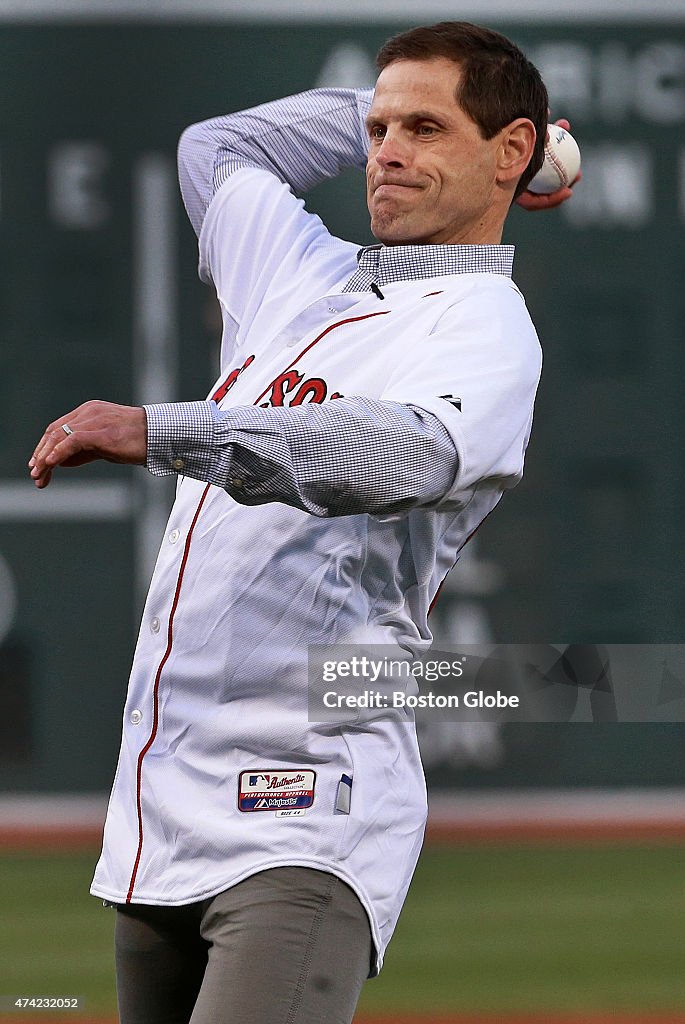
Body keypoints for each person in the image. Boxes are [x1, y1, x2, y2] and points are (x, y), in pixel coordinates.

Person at [29, 22, 575, 1024]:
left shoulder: (486, 329)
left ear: (508, 153)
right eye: (377, 130)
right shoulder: (296, 275)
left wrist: (166, 430)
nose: (387, 151)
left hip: (308, 802)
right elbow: (219, 151)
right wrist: (390, 117)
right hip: (164, 805)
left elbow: (395, 452)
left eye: (424, 128)